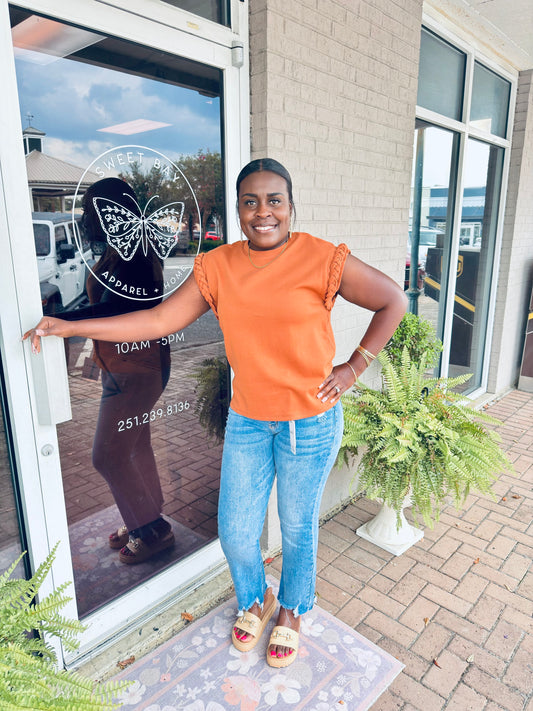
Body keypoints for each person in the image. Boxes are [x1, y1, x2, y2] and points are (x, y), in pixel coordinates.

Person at [24, 158, 407, 667]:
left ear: (291, 208)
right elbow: (159, 318)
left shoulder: (321, 258)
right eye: (250, 202)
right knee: (234, 529)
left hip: (309, 424)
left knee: (296, 527)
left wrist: (353, 367)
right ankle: (254, 599)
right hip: (249, 421)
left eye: (274, 201)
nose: (262, 212)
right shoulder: (218, 267)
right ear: (239, 211)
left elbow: (393, 300)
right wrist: (72, 327)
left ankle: (292, 608)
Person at [60, 178, 173, 564]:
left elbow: (114, 311)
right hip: (123, 365)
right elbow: (101, 301)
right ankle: (146, 516)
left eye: (92, 211)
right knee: (134, 443)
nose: (88, 220)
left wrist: (61, 320)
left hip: (137, 368)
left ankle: (151, 530)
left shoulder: (135, 255)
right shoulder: (118, 250)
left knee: (107, 455)